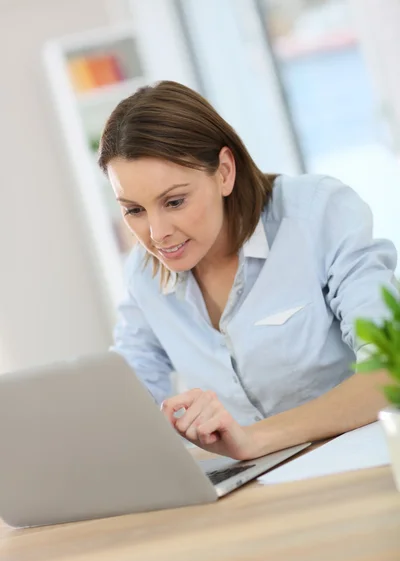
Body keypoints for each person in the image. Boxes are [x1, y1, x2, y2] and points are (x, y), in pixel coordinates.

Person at [98, 80, 397, 461]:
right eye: (134, 210)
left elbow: (391, 372)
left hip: (370, 465)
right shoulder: (144, 273)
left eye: (174, 201)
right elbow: (127, 393)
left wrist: (255, 439)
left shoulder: (316, 212)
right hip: (258, 492)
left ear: (224, 171)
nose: (157, 234)